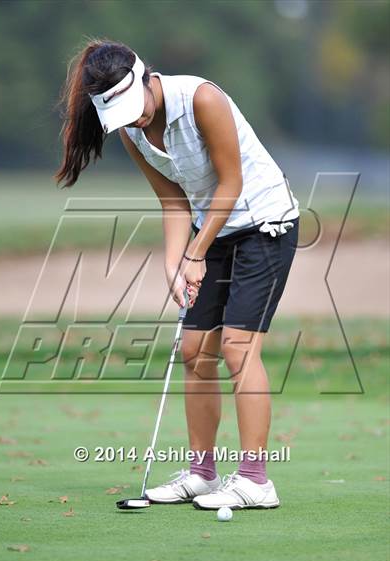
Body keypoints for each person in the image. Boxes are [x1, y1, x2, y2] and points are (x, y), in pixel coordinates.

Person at [55, 39, 299, 510]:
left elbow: (231, 183)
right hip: (213, 229)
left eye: (133, 107)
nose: (134, 119)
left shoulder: (201, 98)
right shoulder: (132, 130)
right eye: (121, 115)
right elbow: (173, 201)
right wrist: (174, 263)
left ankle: (255, 480)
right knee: (194, 350)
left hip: (265, 222)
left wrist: (196, 253)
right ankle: (202, 473)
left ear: (147, 79)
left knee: (237, 346)